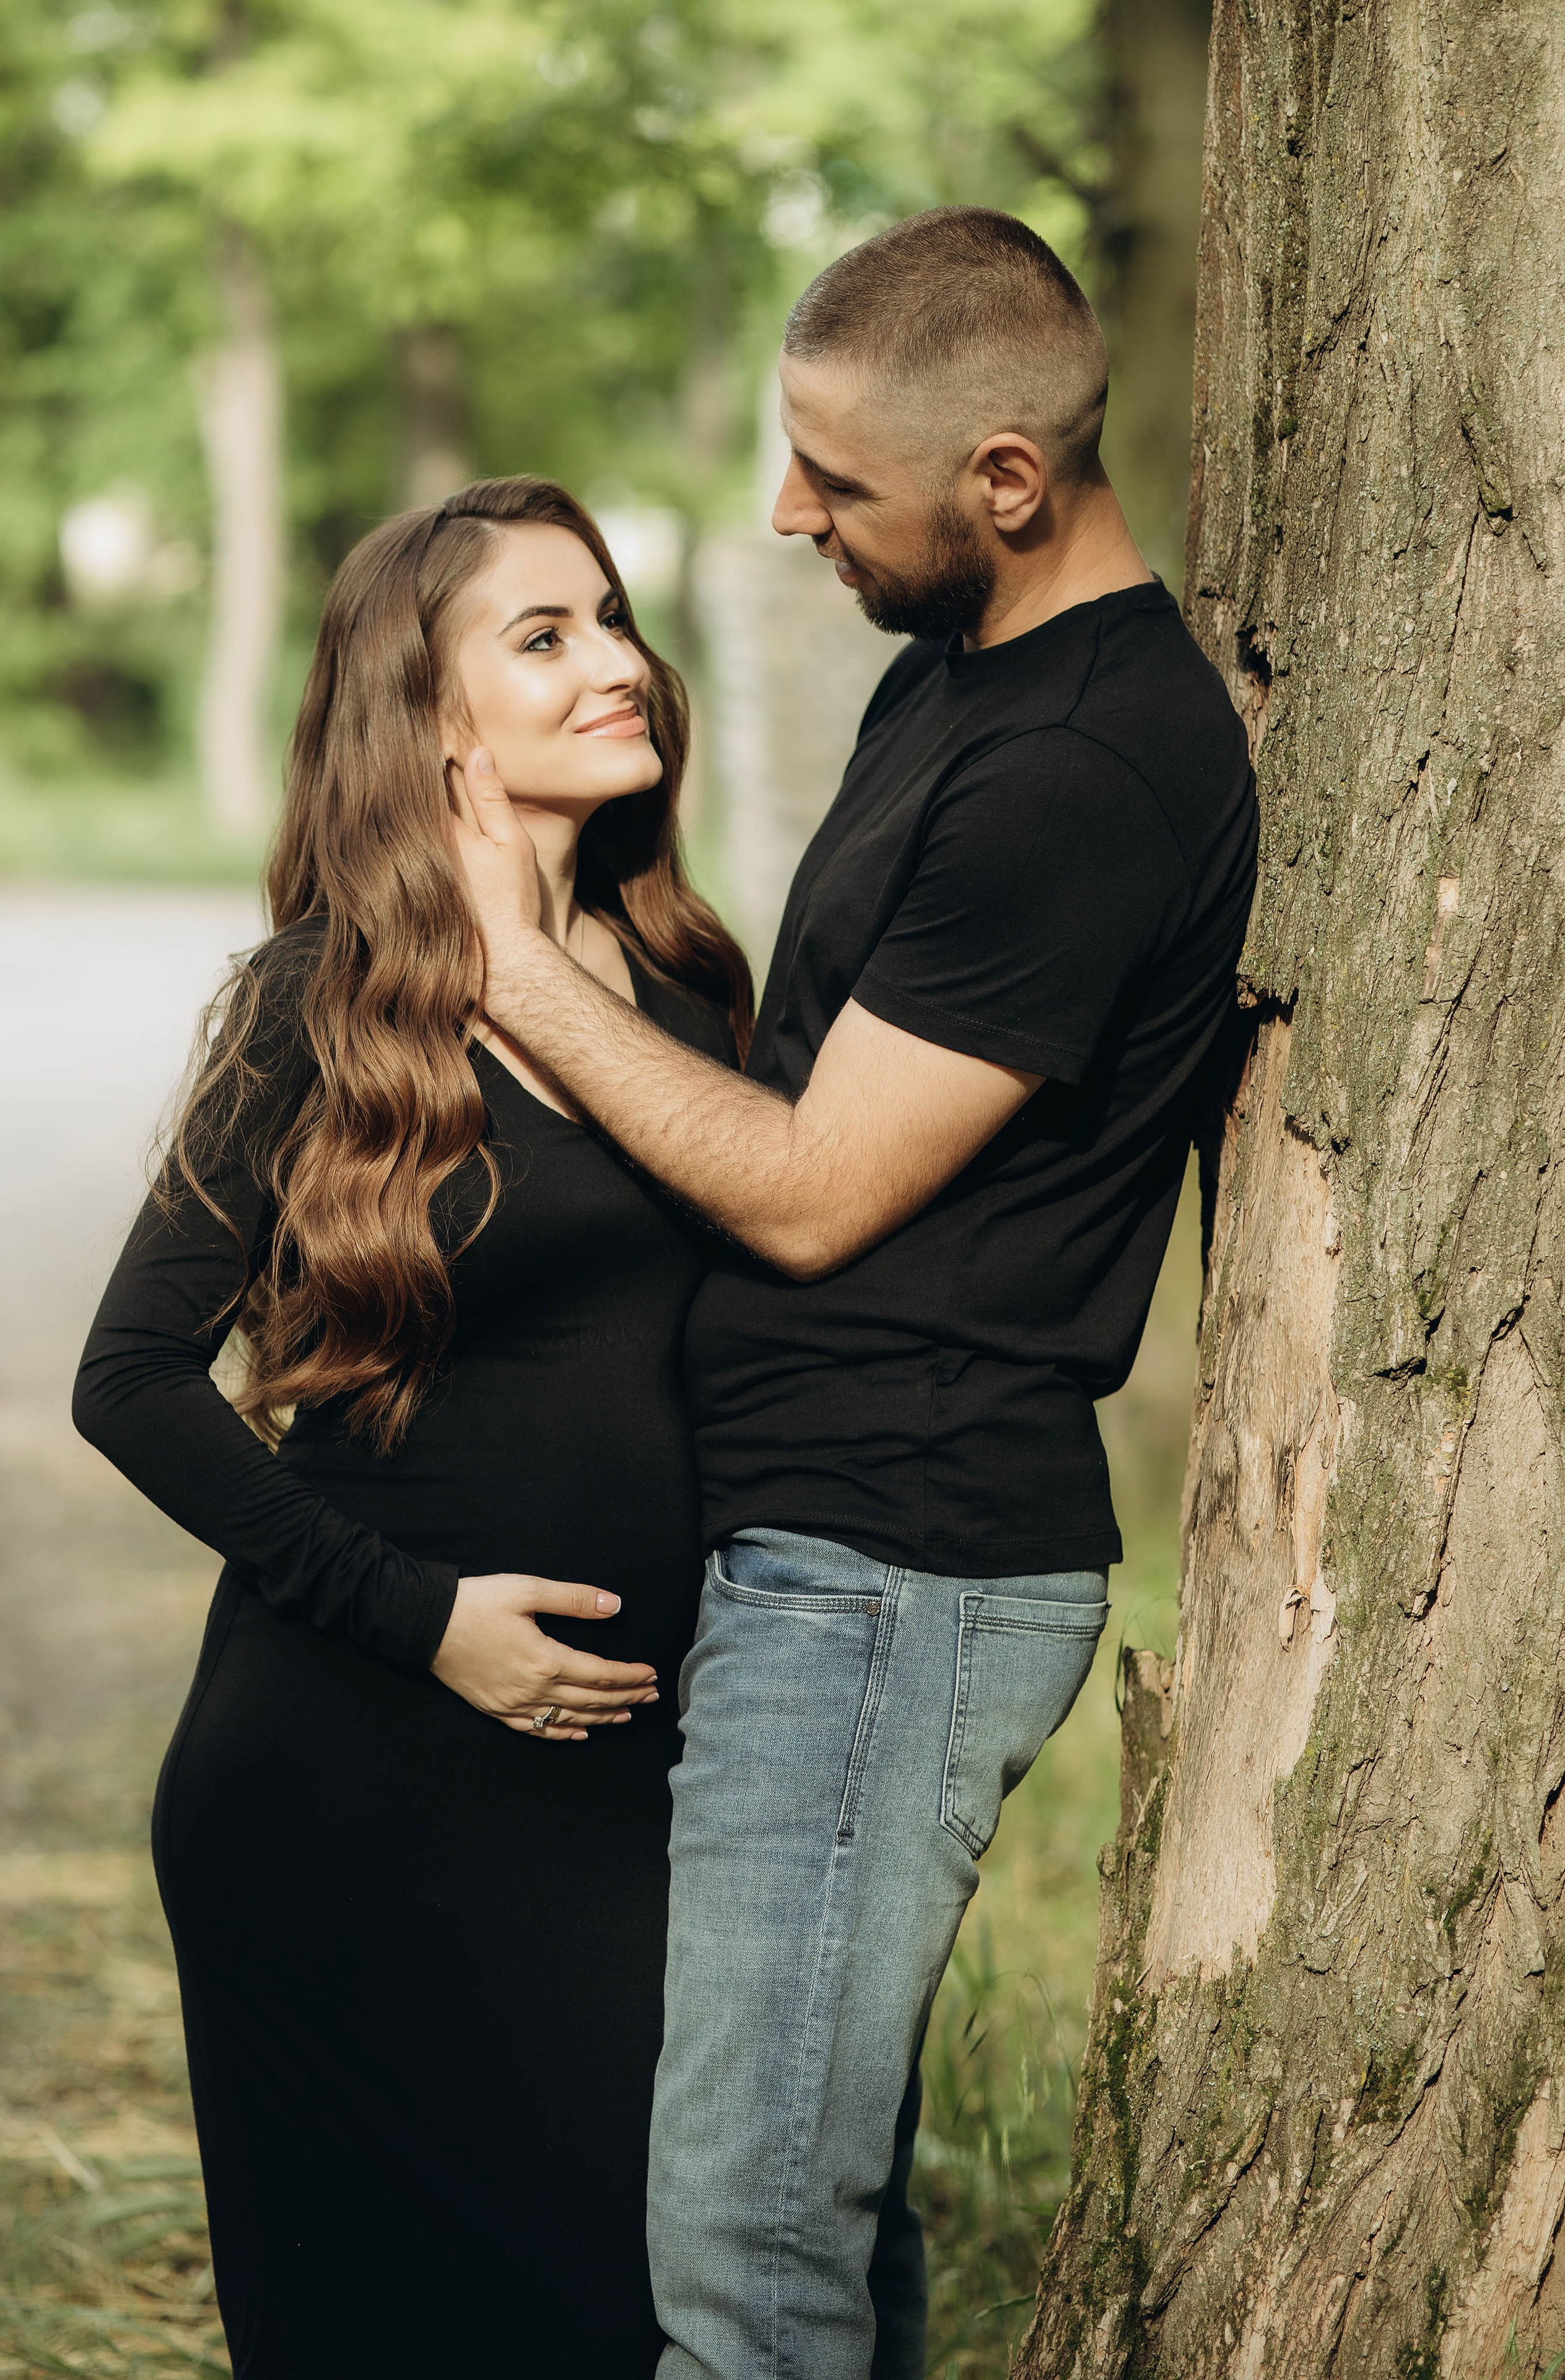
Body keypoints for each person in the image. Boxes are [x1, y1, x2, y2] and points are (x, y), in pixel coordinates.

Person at [448, 207, 1260, 2379]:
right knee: (816, 2211)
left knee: (741, 2250)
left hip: (898, 1564)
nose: (785, 509)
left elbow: (811, 1190)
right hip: (818, 1548)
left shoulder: (1082, 774)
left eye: (833, 476)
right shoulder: (959, 674)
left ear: (1005, 481)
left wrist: (514, 970)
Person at [72, 476, 751, 2379]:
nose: (618, 660)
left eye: (614, 616)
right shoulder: (327, 1001)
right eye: (544, 636)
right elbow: (126, 1377)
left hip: (618, 1788)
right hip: (344, 1774)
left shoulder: (692, 990)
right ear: (429, 720)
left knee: (614, 2308)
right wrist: (425, 1621)